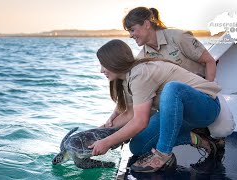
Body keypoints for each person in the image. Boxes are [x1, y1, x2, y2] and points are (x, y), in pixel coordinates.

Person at [88, 39, 221, 172]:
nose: (101, 70)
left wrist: (107, 142)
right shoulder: (126, 79)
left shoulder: (140, 73)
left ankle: (163, 154)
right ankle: (200, 140)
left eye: (103, 65)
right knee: (137, 146)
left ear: (114, 61)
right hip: (177, 116)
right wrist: (98, 132)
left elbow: (140, 122)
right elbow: (130, 114)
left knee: (172, 88)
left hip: (205, 108)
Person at [121, 6, 227, 155]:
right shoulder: (141, 59)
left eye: (132, 30)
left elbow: (209, 61)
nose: (131, 35)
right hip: (172, 107)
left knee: (224, 128)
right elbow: (138, 102)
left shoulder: (177, 37)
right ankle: (194, 138)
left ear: (146, 24)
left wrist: (208, 92)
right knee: (138, 146)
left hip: (199, 96)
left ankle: (163, 154)